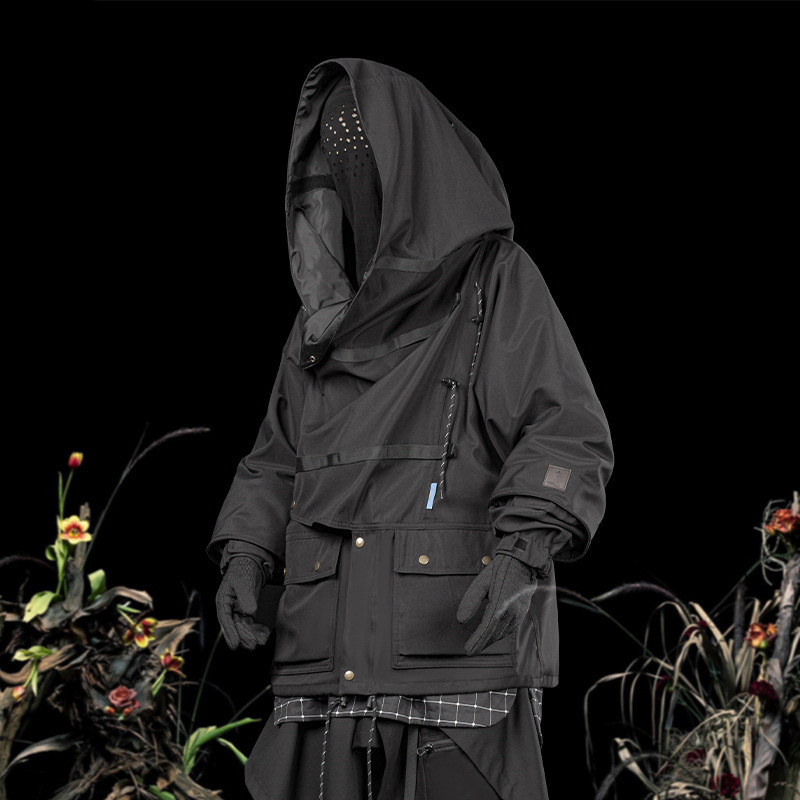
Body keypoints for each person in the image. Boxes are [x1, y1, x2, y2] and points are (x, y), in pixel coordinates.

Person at [208, 57, 614, 800]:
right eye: (336, 156)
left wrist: (525, 547)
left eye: (364, 150)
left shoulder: (496, 280)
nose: (351, 174)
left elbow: (564, 428)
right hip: (324, 656)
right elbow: (277, 455)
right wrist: (246, 548)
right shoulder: (319, 322)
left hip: (458, 650)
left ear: (418, 164)